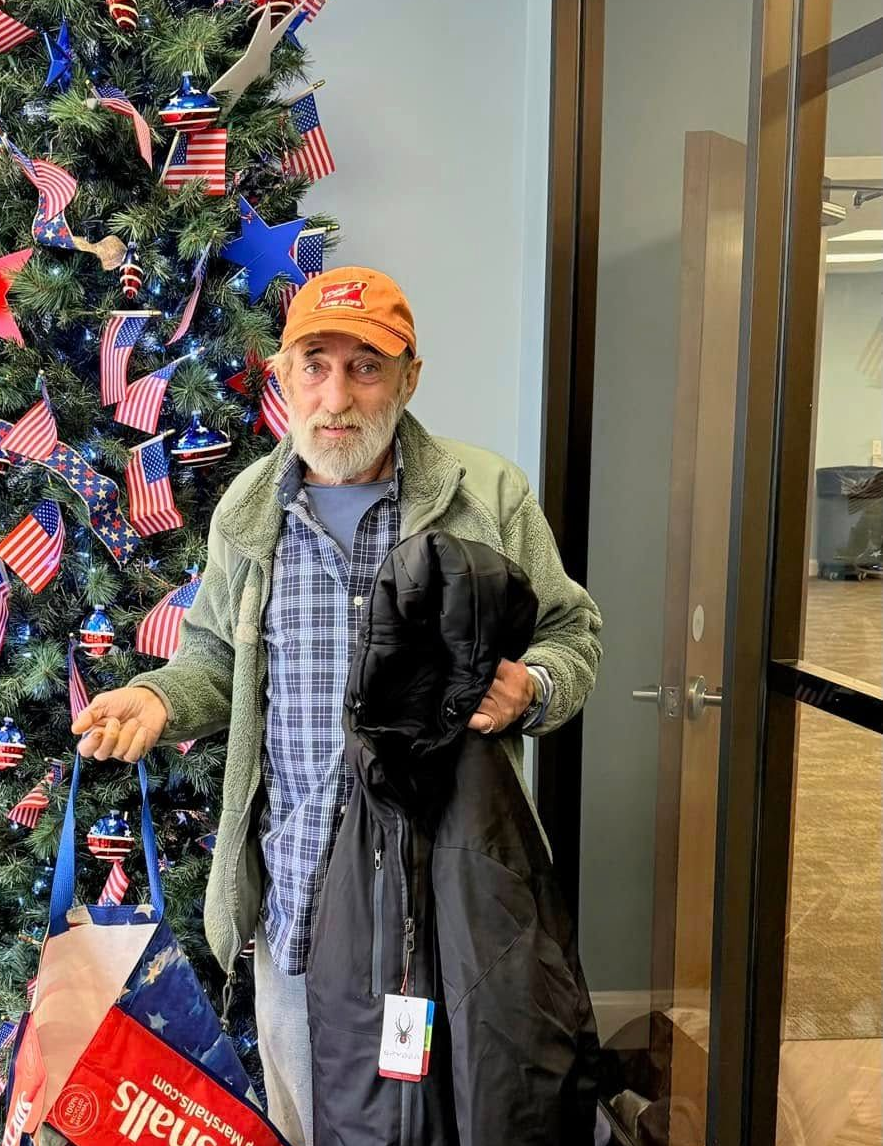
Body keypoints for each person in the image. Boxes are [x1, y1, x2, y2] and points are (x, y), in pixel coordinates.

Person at [71, 266, 602, 1146]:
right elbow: (214, 659)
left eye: (366, 368)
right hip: (300, 908)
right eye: (315, 366)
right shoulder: (249, 512)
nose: (338, 396)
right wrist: (158, 699)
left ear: (408, 378)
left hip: (450, 915)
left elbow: (571, 634)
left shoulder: (488, 496)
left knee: (473, 1123)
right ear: (284, 377)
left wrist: (533, 686)